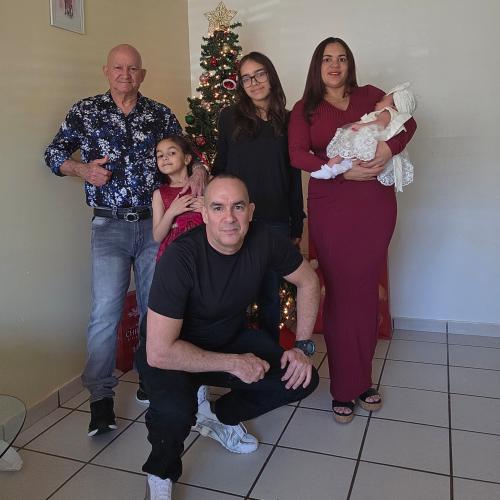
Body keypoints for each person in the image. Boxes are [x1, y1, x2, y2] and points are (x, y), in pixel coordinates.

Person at [44, 44, 207, 437]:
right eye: (118, 67)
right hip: (109, 226)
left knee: (157, 307)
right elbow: (53, 154)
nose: (125, 74)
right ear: (106, 70)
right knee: (105, 313)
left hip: (156, 224)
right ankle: (101, 398)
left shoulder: (159, 113)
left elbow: (189, 152)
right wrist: (81, 169)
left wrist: (200, 170)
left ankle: (150, 375)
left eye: (133, 68)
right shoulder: (86, 111)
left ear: (142, 74)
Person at [136, 175, 320, 499]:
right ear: (204, 213)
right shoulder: (180, 258)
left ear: (251, 211)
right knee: (174, 413)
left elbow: (308, 281)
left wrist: (302, 346)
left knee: (300, 378)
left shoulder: (264, 239)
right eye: (218, 208)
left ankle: (218, 416)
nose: (229, 218)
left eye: (238, 206)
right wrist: (233, 363)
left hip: (226, 336)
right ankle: (161, 472)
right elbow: (159, 351)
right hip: (170, 351)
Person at [288, 37, 417, 423]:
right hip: (331, 208)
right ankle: (344, 386)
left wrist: (389, 149)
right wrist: (341, 169)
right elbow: (297, 154)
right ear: (317, 65)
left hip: (375, 208)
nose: (335, 65)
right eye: (327, 59)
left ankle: (362, 380)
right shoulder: (305, 108)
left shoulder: (372, 95)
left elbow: (409, 122)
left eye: (342, 59)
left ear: (350, 64)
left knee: (363, 294)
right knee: (342, 294)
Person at [213, 52, 305, 342]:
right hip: (236, 219)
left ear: (271, 76)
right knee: (234, 294)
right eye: (246, 78)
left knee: (270, 297)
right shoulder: (229, 118)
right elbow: (220, 168)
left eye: (260, 74)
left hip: (275, 219)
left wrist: (297, 224)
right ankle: (233, 356)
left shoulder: (289, 120)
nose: (254, 82)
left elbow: (293, 176)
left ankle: (269, 356)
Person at [311, 82, 416, 192]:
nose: (377, 102)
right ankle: (339, 168)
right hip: (345, 188)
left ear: (392, 106)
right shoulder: (393, 115)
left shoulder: (387, 111)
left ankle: (329, 168)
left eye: (382, 100)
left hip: (372, 140)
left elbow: (381, 124)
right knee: (351, 155)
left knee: (344, 142)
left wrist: (361, 126)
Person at [152, 135, 204, 260]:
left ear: (187, 159)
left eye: (172, 153)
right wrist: (171, 212)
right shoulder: (159, 194)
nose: (165, 158)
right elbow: (157, 237)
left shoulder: (203, 184)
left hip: (203, 248)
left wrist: (207, 209)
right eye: (160, 155)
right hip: (175, 254)